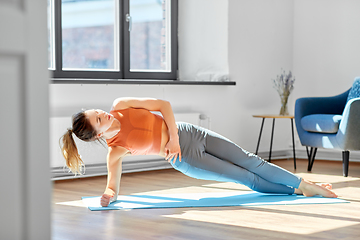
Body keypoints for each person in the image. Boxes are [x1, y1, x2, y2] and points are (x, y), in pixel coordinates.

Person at [60, 97, 338, 207]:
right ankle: (297, 190)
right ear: (97, 134)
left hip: (190, 133)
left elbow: (164, 105)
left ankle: (304, 184)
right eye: (99, 120)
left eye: (97, 112)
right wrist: (108, 196)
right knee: (246, 178)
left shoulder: (122, 104)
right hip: (187, 159)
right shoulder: (115, 150)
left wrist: (176, 138)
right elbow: (113, 185)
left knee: (251, 160)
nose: (103, 115)